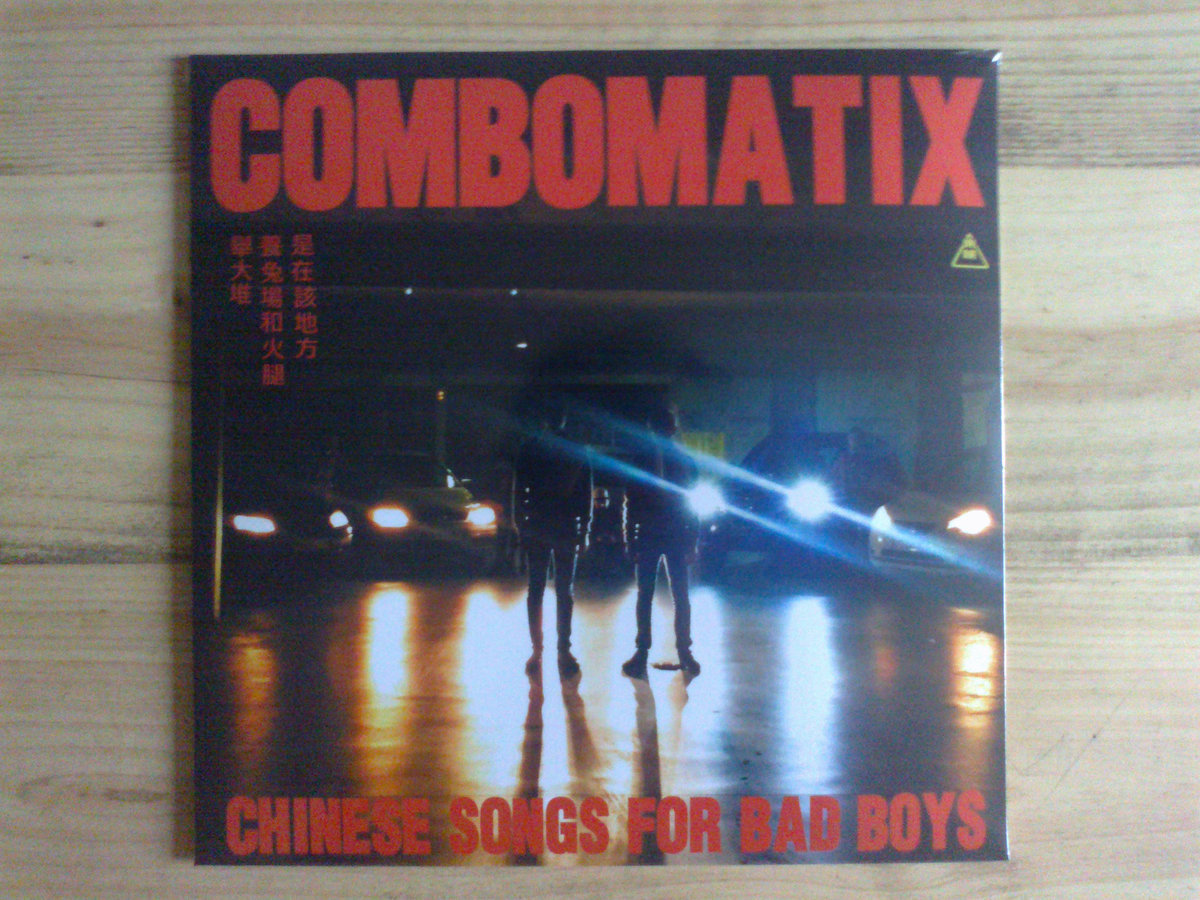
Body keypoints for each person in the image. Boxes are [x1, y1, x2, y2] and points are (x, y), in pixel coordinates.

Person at [621, 404, 701, 679]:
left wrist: (630, 537)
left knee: (651, 595)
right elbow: (692, 503)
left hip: (655, 533)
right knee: (676, 595)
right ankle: (680, 652)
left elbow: (632, 500)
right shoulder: (682, 460)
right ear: (672, 428)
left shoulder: (644, 459)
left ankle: (648, 652)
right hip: (669, 533)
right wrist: (693, 540)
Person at [513, 402, 592, 675]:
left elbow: (519, 490)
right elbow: (585, 493)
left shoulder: (531, 448)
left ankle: (540, 651)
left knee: (538, 588)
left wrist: (520, 524)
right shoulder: (575, 450)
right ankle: (561, 650)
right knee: (562, 590)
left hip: (539, 524)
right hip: (563, 526)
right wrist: (585, 529)